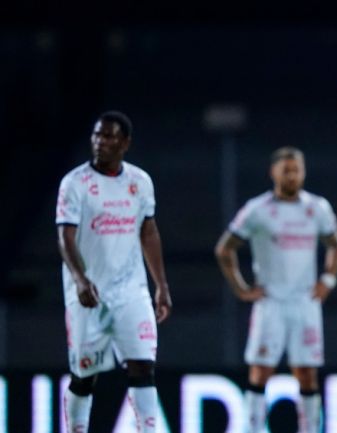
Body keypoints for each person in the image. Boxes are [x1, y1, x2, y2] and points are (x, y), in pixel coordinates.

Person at [214, 146, 337, 433]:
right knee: (261, 370)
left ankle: (310, 429)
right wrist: (241, 289)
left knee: (307, 373)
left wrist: (328, 280)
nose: (292, 175)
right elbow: (225, 249)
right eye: (286, 170)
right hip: (270, 302)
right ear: (274, 172)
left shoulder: (316, 207)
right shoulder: (258, 209)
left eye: (296, 169)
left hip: (305, 302)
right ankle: (253, 428)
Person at [56, 111, 172, 433]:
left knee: (142, 366)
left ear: (125, 143)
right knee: (84, 375)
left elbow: (149, 232)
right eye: (97, 135)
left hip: (131, 291)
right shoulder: (75, 184)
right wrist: (80, 279)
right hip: (88, 294)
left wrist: (160, 284)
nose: (100, 142)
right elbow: (65, 238)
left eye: (108, 136)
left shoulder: (140, 182)